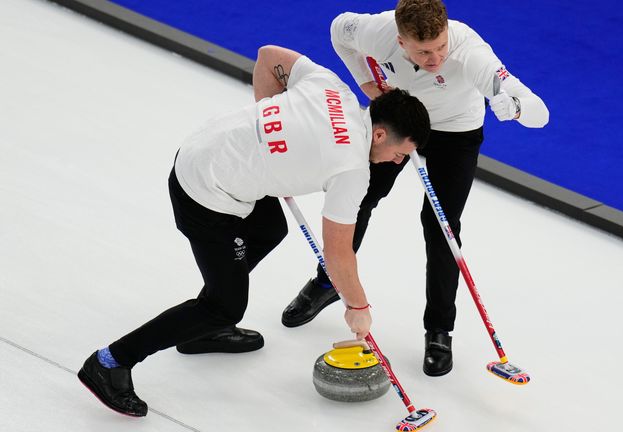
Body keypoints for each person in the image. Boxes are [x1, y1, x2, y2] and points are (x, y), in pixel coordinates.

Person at [77, 44, 430, 417]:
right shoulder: (352, 171)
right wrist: (358, 306)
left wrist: (272, 132)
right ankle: (111, 362)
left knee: (270, 228)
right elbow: (338, 253)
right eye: (400, 153)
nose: (397, 161)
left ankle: (202, 331)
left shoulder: (332, 88)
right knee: (224, 305)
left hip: (206, 147)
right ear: (379, 135)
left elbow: (269, 56)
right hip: (204, 192)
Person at [281, 0, 549, 377]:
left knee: (441, 226)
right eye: (423, 51)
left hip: (455, 133)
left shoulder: (471, 53)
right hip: (399, 118)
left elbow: (541, 113)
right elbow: (339, 31)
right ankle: (328, 281)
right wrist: (366, 83)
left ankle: (439, 330)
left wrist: (518, 109)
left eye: (441, 46)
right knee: (357, 198)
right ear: (400, 40)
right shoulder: (375, 31)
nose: (436, 57)